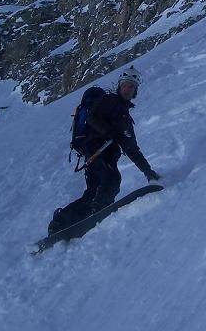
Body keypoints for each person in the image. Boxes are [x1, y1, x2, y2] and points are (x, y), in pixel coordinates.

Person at [48, 65, 160, 235]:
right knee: (112, 179)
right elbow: (92, 118)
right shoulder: (109, 101)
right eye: (125, 86)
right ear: (119, 87)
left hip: (102, 155)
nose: (128, 89)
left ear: (135, 91)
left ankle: (61, 223)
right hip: (95, 150)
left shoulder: (126, 119)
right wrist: (109, 132)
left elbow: (132, 149)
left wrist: (147, 171)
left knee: (93, 192)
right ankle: (96, 215)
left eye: (131, 87)